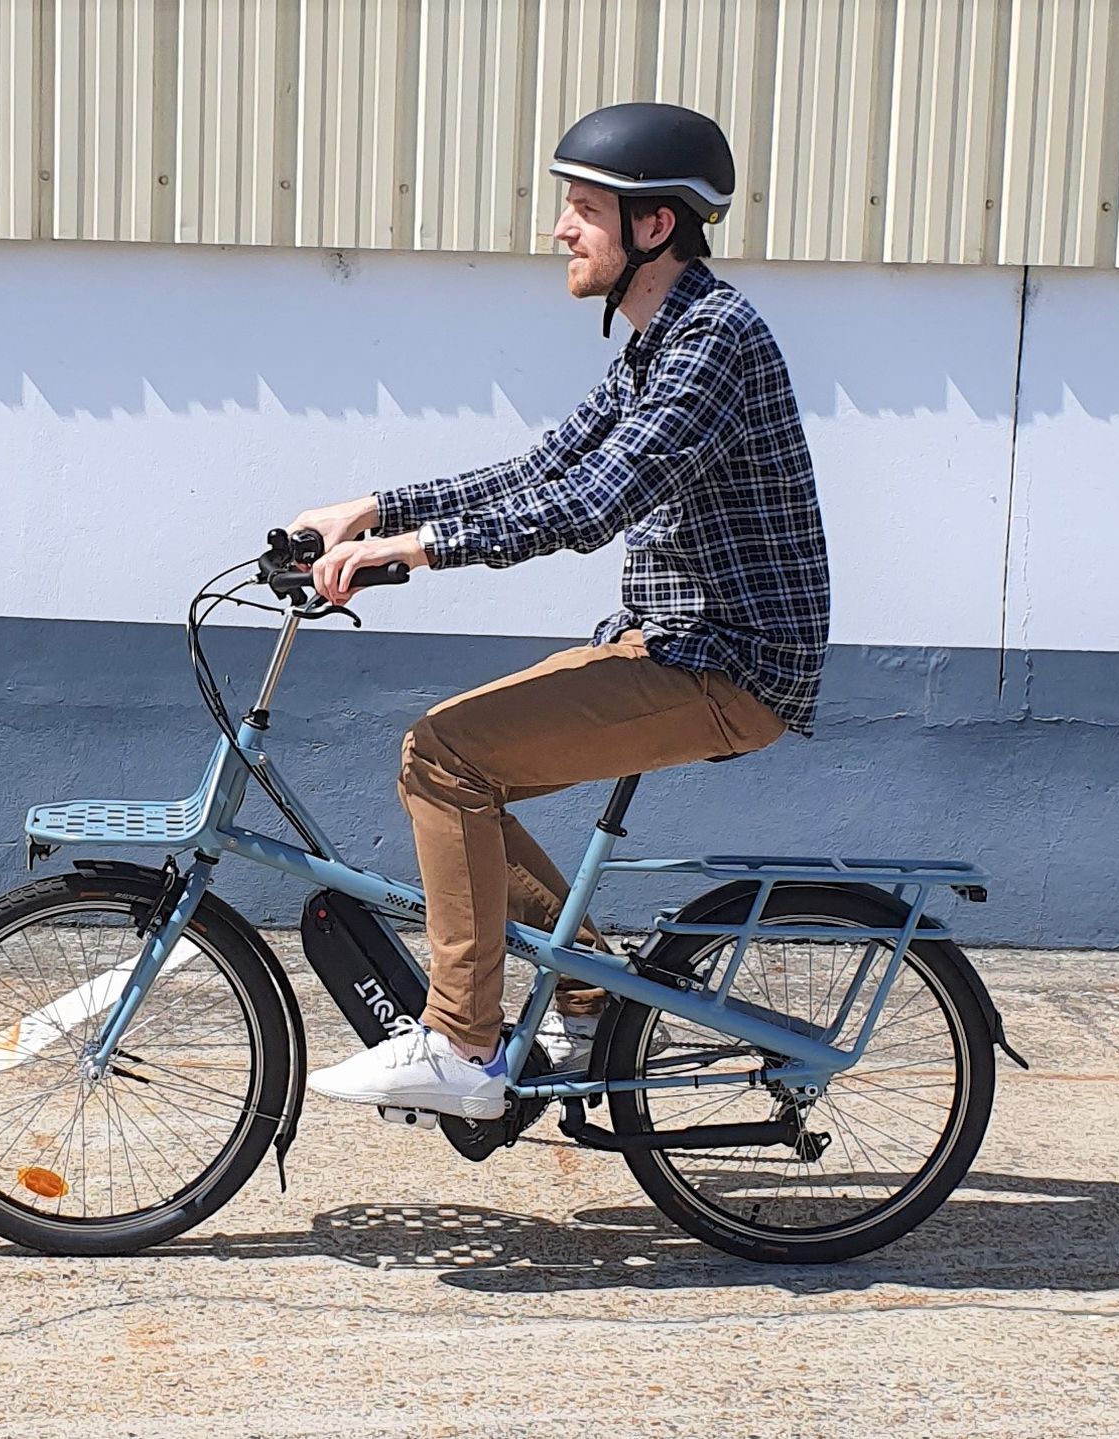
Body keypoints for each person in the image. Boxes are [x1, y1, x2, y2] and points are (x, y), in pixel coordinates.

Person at [292, 102, 831, 1121]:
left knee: (446, 755)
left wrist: (411, 551)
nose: (561, 229)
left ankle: (460, 1042)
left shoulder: (714, 344)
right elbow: (543, 464)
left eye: (583, 208)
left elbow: (592, 503)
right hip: (677, 645)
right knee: (451, 763)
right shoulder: (659, 342)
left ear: (653, 226)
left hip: (729, 666)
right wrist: (374, 506)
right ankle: (587, 999)